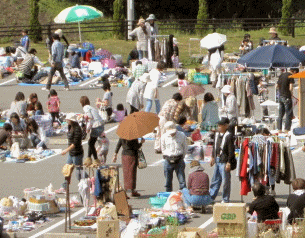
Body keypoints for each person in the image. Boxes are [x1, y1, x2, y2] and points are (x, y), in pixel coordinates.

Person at [209, 117, 234, 203]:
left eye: (221, 125)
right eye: (218, 125)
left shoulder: (229, 136)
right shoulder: (216, 134)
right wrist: (212, 157)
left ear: (226, 126)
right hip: (217, 159)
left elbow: (231, 151)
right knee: (215, 180)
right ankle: (211, 197)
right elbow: (214, 147)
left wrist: (229, 162)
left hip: (224, 161)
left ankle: (225, 199)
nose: (219, 127)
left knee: (225, 181)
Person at [161, 121, 187, 192]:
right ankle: (168, 195)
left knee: (182, 181)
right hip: (168, 160)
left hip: (179, 159)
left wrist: (181, 157)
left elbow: (185, 148)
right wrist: (167, 156)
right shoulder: (164, 137)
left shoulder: (182, 135)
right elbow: (163, 148)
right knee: (168, 181)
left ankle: (183, 195)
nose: (172, 134)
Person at [61, 113, 84, 191]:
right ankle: (65, 187)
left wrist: (66, 150)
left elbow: (75, 143)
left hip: (77, 153)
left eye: (68, 119)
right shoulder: (70, 127)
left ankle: (86, 183)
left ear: (71, 120)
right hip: (71, 153)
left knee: (79, 172)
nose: (67, 120)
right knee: (67, 170)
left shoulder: (77, 129)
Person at [80, 96, 104, 167]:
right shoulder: (91, 107)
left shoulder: (85, 107)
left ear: (82, 102)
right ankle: (89, 158)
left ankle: (96, 159)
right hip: (100, 125)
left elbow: (90, 117)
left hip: (96, 126)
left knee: (90, 143)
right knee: (91, 142)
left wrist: (83, 116)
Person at [277, 68, 298, 133]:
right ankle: (287, 130)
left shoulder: (281, 75)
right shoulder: (290, 76)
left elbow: (277, 86)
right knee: (288, 114)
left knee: (280, 114)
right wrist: (291, 94)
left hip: (280, 96)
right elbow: (291, 87)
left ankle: (279, 129)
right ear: (294, 72)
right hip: (287, 96)